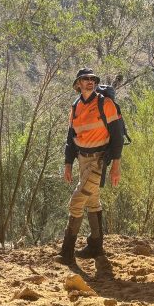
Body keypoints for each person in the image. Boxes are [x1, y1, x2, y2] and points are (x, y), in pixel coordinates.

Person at [55, 67, 122, 263]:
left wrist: (116, 166)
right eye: (85, 79)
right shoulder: (75, 107)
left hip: (98, 159)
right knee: (92, 201)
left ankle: (66, 253)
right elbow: (71, 137)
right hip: (82, 160)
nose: (90, 81)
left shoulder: (105, 104)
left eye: (92, 79)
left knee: (77, 201)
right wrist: (68, 163)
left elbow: (117, 137)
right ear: (78, 84)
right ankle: (96, 247)